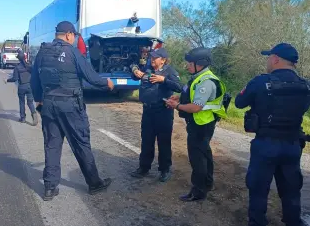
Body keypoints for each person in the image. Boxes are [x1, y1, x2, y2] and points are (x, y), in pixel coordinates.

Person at [30, 21, 115, 201]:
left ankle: (49, 188)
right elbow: (91, 77)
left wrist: (39, 100)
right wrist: (106, 83)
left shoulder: (42, 52)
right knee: (81, 143)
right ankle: (94, 183)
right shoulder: (72, 52)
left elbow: (34, 80)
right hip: (70, 106)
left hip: (49, 105)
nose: (74, 39)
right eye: (74, 36)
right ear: (69, 34)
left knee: (52, 145)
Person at [234, 43, 310, 226]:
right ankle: (293, 221)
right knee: (291, 188)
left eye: (269, 57)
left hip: (266, 144)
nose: (268, 61)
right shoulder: (305, 85)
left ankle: (257, 221)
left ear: (275, 58)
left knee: (259, 188)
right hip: (292, 144)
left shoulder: (260, 82)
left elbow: (239, 103)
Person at [165, 47, 227, 202]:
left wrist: (176, 106)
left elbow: (196, 107)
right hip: (201, 123)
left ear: (200, 63)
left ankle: (198, 191)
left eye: (189, 63)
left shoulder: (206, 81)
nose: (187, 66)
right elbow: (192, 94)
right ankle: (207, 183)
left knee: (197, 158)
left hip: (201, 124)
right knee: (205, 154)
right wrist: (180, 97)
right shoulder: (198, 77)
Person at [130, 48, 183, 182]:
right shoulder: (147, 67)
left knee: (164, 141)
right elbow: (133, 66)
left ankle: (165, 170)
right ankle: (144, 168)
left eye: (155, 58)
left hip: (163, 112)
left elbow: (179, 87)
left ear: (163, 60)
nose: (152, 60)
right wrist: (135, 71)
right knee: (146, 140)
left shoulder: (169, 71)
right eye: (152, 57)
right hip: (148, 111)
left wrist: (163, 80)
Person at [5, 50, 38, 126]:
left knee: (22, 102)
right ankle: (34, 115)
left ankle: (22, 118)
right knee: (30, 102)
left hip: (22, 87)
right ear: (25, 57)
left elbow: (14, 79)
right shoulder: (30, 65)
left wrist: (7, 80)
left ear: (18, 59)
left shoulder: (17, 67)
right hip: (30, 86)